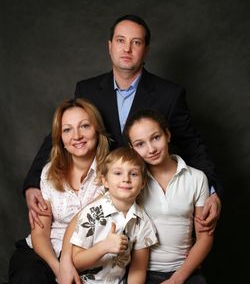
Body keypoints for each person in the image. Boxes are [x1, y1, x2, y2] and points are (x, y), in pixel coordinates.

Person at [23, 14, 222, 234]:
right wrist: (32, 183)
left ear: (145, 50)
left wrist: (212, 192)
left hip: (148, 198)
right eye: (120, 40)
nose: (127, 48)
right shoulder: (87, 90)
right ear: (110, 46)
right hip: (99, 196)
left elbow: (192, 145)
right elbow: (60, 136)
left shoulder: (170, 95)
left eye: (135, 42)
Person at [0, 98, 110, 284]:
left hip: (87, 259)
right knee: (28, 282)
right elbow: (39, 235)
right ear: (59, 137)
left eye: (85, 126)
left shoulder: (113, 171)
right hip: (43, 253)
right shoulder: (50, 172)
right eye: (67, 130)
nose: (77, 136)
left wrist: (70, 264)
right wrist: (59, 268)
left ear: (97, 130)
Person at [119, 110, 224, 284]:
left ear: (167, 134)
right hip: (143, 273)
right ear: (132, 148)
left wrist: (177, 280)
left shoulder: (196, 178)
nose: (151, 148)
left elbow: (205, 237)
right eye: (140, 144)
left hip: (185, 270)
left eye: (155, 137)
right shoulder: (132, 180)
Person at [60, 147, 158, 284]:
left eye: (133, 174)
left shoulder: (143, 222)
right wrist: (104, 247)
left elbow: (139, 266)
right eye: (118, 173)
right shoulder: (92, 214)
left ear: (143, 184)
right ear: (104, 180)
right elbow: (76, 261)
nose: (126, 179)